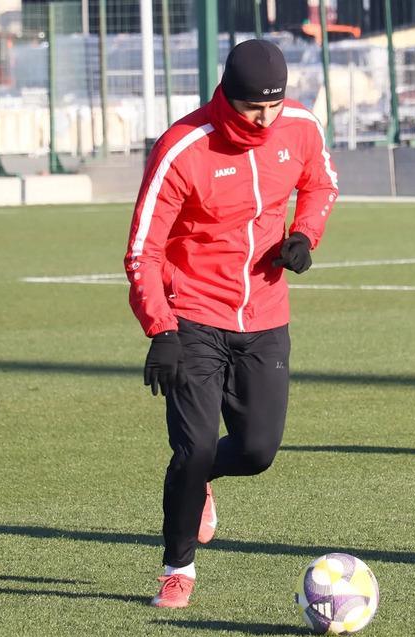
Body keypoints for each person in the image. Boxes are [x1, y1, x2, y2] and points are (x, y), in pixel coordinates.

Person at [124, 39, 338, 608]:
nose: (264, 119)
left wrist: (304, 234)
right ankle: (178, 569)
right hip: (193, 315)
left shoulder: (301, 127)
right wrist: (161, 329)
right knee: (193, 449)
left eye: (273, 105)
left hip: (265, 316)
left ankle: (202, 482)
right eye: (252, 108)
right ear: (227, 95)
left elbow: (321, 183)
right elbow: (143, 249)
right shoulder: (182, 147)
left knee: (257, 451)